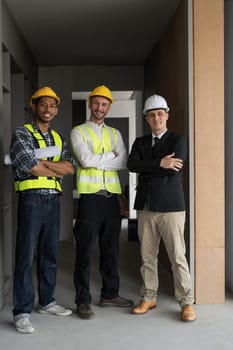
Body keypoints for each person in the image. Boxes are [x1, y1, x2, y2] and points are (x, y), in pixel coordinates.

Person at [10, 87, 76, 334]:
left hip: (53, 200)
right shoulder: (22, 133)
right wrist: (49, 166)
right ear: (34, 107)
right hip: (31, 199)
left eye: (52, 105)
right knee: (26, 256)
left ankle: (47, 302)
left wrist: (42, 163)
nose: (48, 109)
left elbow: (70, 167)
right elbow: (29, 165)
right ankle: (22, 312)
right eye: (43, 105)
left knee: (50, 254)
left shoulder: (59, 138)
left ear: (56, 109)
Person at [127, 93, 196, 322]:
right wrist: (159, 162)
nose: (156, 118)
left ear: (166, 115)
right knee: (147, 256)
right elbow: (131, 165)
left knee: (177, 256)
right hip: (146, 206)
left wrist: (151, 167)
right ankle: (149, 296)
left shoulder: (178, 141)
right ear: (146, 118)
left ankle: (186, 302)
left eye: (160, 114)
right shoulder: (140, 143)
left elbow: (172, 168)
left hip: (171, 208)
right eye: (151, 115)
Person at [70, 85, 133, 320]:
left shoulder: (115, 133)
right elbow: (85, 161)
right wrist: (110, 157)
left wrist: (103, 160)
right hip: (90, 198)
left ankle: (110, 294)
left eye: (104, 104)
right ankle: (83, 300)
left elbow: (123, 161)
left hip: (111, 200)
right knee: (85, 250)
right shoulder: (78, 131)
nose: (99, 108)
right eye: (96, 103)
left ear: (109, 107)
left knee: (111, 249)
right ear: (90, 104)